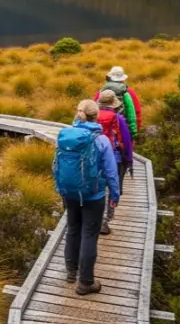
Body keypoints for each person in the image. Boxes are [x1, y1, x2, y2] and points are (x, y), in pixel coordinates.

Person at [53, 99, 120, 296]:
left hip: (69, 193)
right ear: (96, 115)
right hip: (93, 194)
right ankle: (86, 282)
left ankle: (71, 272)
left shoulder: (66, 136)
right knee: (89, 234)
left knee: (73, 229)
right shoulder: (101, 140)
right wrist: (114, 195)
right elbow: (111, 172)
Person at [96, 89, 134, 235]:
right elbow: (126, 140)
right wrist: (129, 159)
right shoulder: (118, 118)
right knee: (111, 188)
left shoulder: (92, 116)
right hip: (115, 157)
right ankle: (105, 220)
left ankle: (94, 217)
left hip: (95, 157)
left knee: (97, 188)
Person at [95, 66, 139, 135]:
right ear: (123, 79)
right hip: (121, 129)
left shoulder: (101, 91)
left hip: (101, 129)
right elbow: (132, 114)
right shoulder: (127, 93)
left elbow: (93, 109)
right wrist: (133, 132)